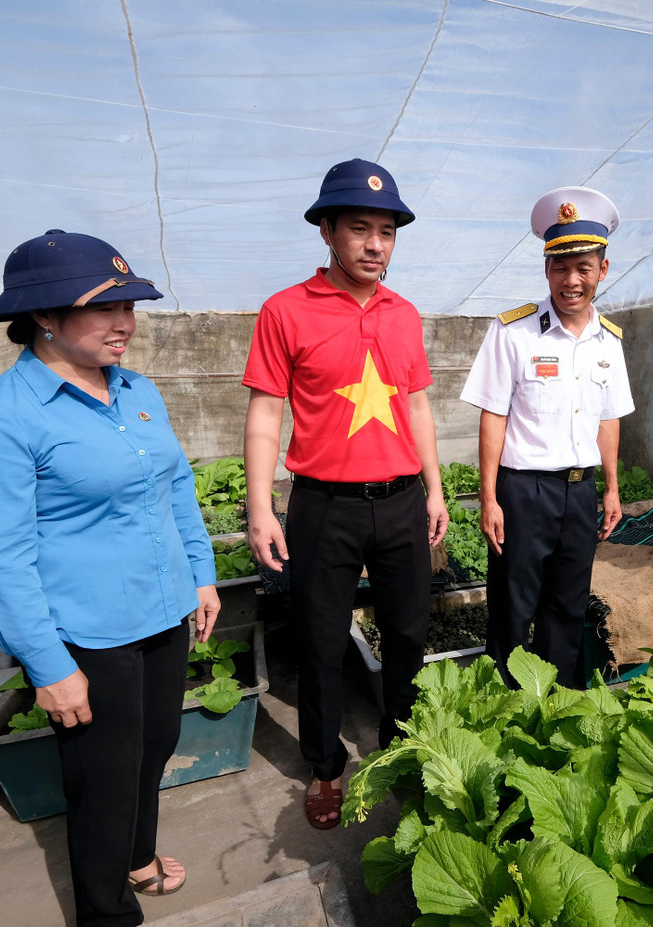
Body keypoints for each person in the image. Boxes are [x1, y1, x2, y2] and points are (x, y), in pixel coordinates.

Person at [0, 230, 221, 927]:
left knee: (154, 745)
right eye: (104, 308)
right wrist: (47, 663)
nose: (124, 322)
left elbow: (177, 487)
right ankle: (107, 912)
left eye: (129, 305)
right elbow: (0, 559)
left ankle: (137, 856)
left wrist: (202, 574)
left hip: (162, 613)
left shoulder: (138, 390)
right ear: (43, 315)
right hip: (88, 635)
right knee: (102, 782)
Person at [241, 158, 448, 830]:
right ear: (326, 230)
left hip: (399, 500)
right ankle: (326, 766)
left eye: (387, 231)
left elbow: (417, 407)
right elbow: (266, 413)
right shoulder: (285, 310)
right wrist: (259, 506)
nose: (375, 244)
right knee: (322, 640)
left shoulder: (404, 314)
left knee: (410, 633)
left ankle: (402, 747)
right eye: (359, 227)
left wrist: (435, 489)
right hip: (322, 504)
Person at [460, 186, 634, 687]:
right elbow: (492, 416)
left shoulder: (610, 342)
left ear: (603, 268)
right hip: (523, 492)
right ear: (545, 269)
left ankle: (558, 709)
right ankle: (505, 711)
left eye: (583, 266)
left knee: (567, 604)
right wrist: (489, 498)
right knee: (512, 607)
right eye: (560, 266)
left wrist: (612, 487)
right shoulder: (513, 332)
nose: (571, 280)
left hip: (579, 493)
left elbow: (609, 419)